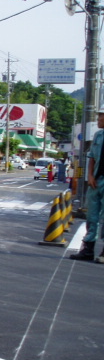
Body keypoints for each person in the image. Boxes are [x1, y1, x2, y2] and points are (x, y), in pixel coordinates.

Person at [70, 107, 104, 263]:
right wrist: (90, 175)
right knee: (92, 216)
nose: (98, 120)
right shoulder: (98, 135)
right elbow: (91, 158)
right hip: (96, 181)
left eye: (101, 117)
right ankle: (87, 249)